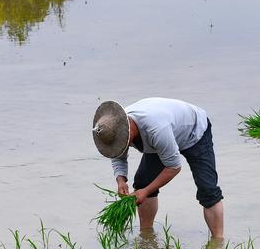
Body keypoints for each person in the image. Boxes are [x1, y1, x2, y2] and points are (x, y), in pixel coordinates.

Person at [92, 98, 224, 238]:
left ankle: (218, 244)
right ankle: (147, 235)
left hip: (194, 133)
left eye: (122, 142)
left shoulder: (156, 129)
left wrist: (146, 191)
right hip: (163, 136)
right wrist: (121, 180)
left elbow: (173, 167)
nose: (121, 145)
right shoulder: (114, 125)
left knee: (208, 190)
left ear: (128, 130)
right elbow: (117, 154)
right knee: (143, 182)